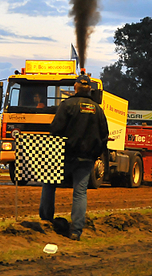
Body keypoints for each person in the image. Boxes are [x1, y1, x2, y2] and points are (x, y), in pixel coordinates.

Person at [39, 73, 109, 241]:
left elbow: (55, 129)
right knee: (80, 193)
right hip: (86, 160)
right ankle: (76, 231)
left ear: (75, 87)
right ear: (90, 89)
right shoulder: (98, 110)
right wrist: (94, 154)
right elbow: (104, 136)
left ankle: (46, 222)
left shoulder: (67, 105)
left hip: (63, 156)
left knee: (49, 185)